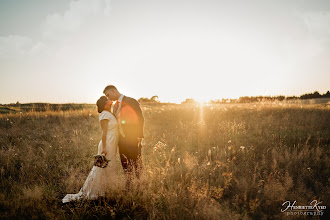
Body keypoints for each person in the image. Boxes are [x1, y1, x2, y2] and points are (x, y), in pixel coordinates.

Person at [62, 96, 120, 203]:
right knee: (101, 168)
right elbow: (104, 132)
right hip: (107, 144)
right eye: (107, 99)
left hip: (112, 143)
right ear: (105, 103)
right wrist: (104, 148)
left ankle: (106, 190)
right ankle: (94, 191)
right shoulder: (104, 114)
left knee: (109, 167)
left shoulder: (110, 113)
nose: (109, 99)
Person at [103, 85, 144, 189]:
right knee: (125, 162)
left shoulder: (131, 101)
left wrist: (139, 136)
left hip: (132, 137)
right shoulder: (114, 105)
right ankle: (129, 184)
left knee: (136, 162)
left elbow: (140, 118)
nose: (108, 98)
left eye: (108, 95)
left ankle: (141, 185)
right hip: (121, 140)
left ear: (113, 91)